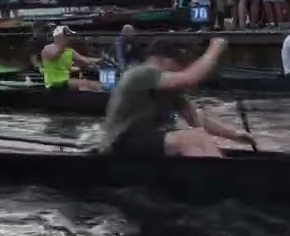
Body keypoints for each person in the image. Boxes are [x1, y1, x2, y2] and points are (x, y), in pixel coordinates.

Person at [100, 38, 256, 157]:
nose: (181, 68)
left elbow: (196, 120)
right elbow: (190, 77)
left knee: (198, 137)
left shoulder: (168, 88)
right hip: (121, 143)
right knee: (195, 138)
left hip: (146, 140)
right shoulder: (143, 73)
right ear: (162, 59)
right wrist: (214, 48)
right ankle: (221, 180)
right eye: (179, 63)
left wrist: (235, 135)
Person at [40, 25, 101, 93]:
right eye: (66, 36)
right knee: (89, 84)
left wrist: (99, 60)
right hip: (53, 83)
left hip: (65, 81)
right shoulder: (48, 49)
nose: (69, 38)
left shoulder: (69, 51)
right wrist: (62, 45)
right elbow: (54, 56)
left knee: (92, 85)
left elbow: (85, 59)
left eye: (69, 36)